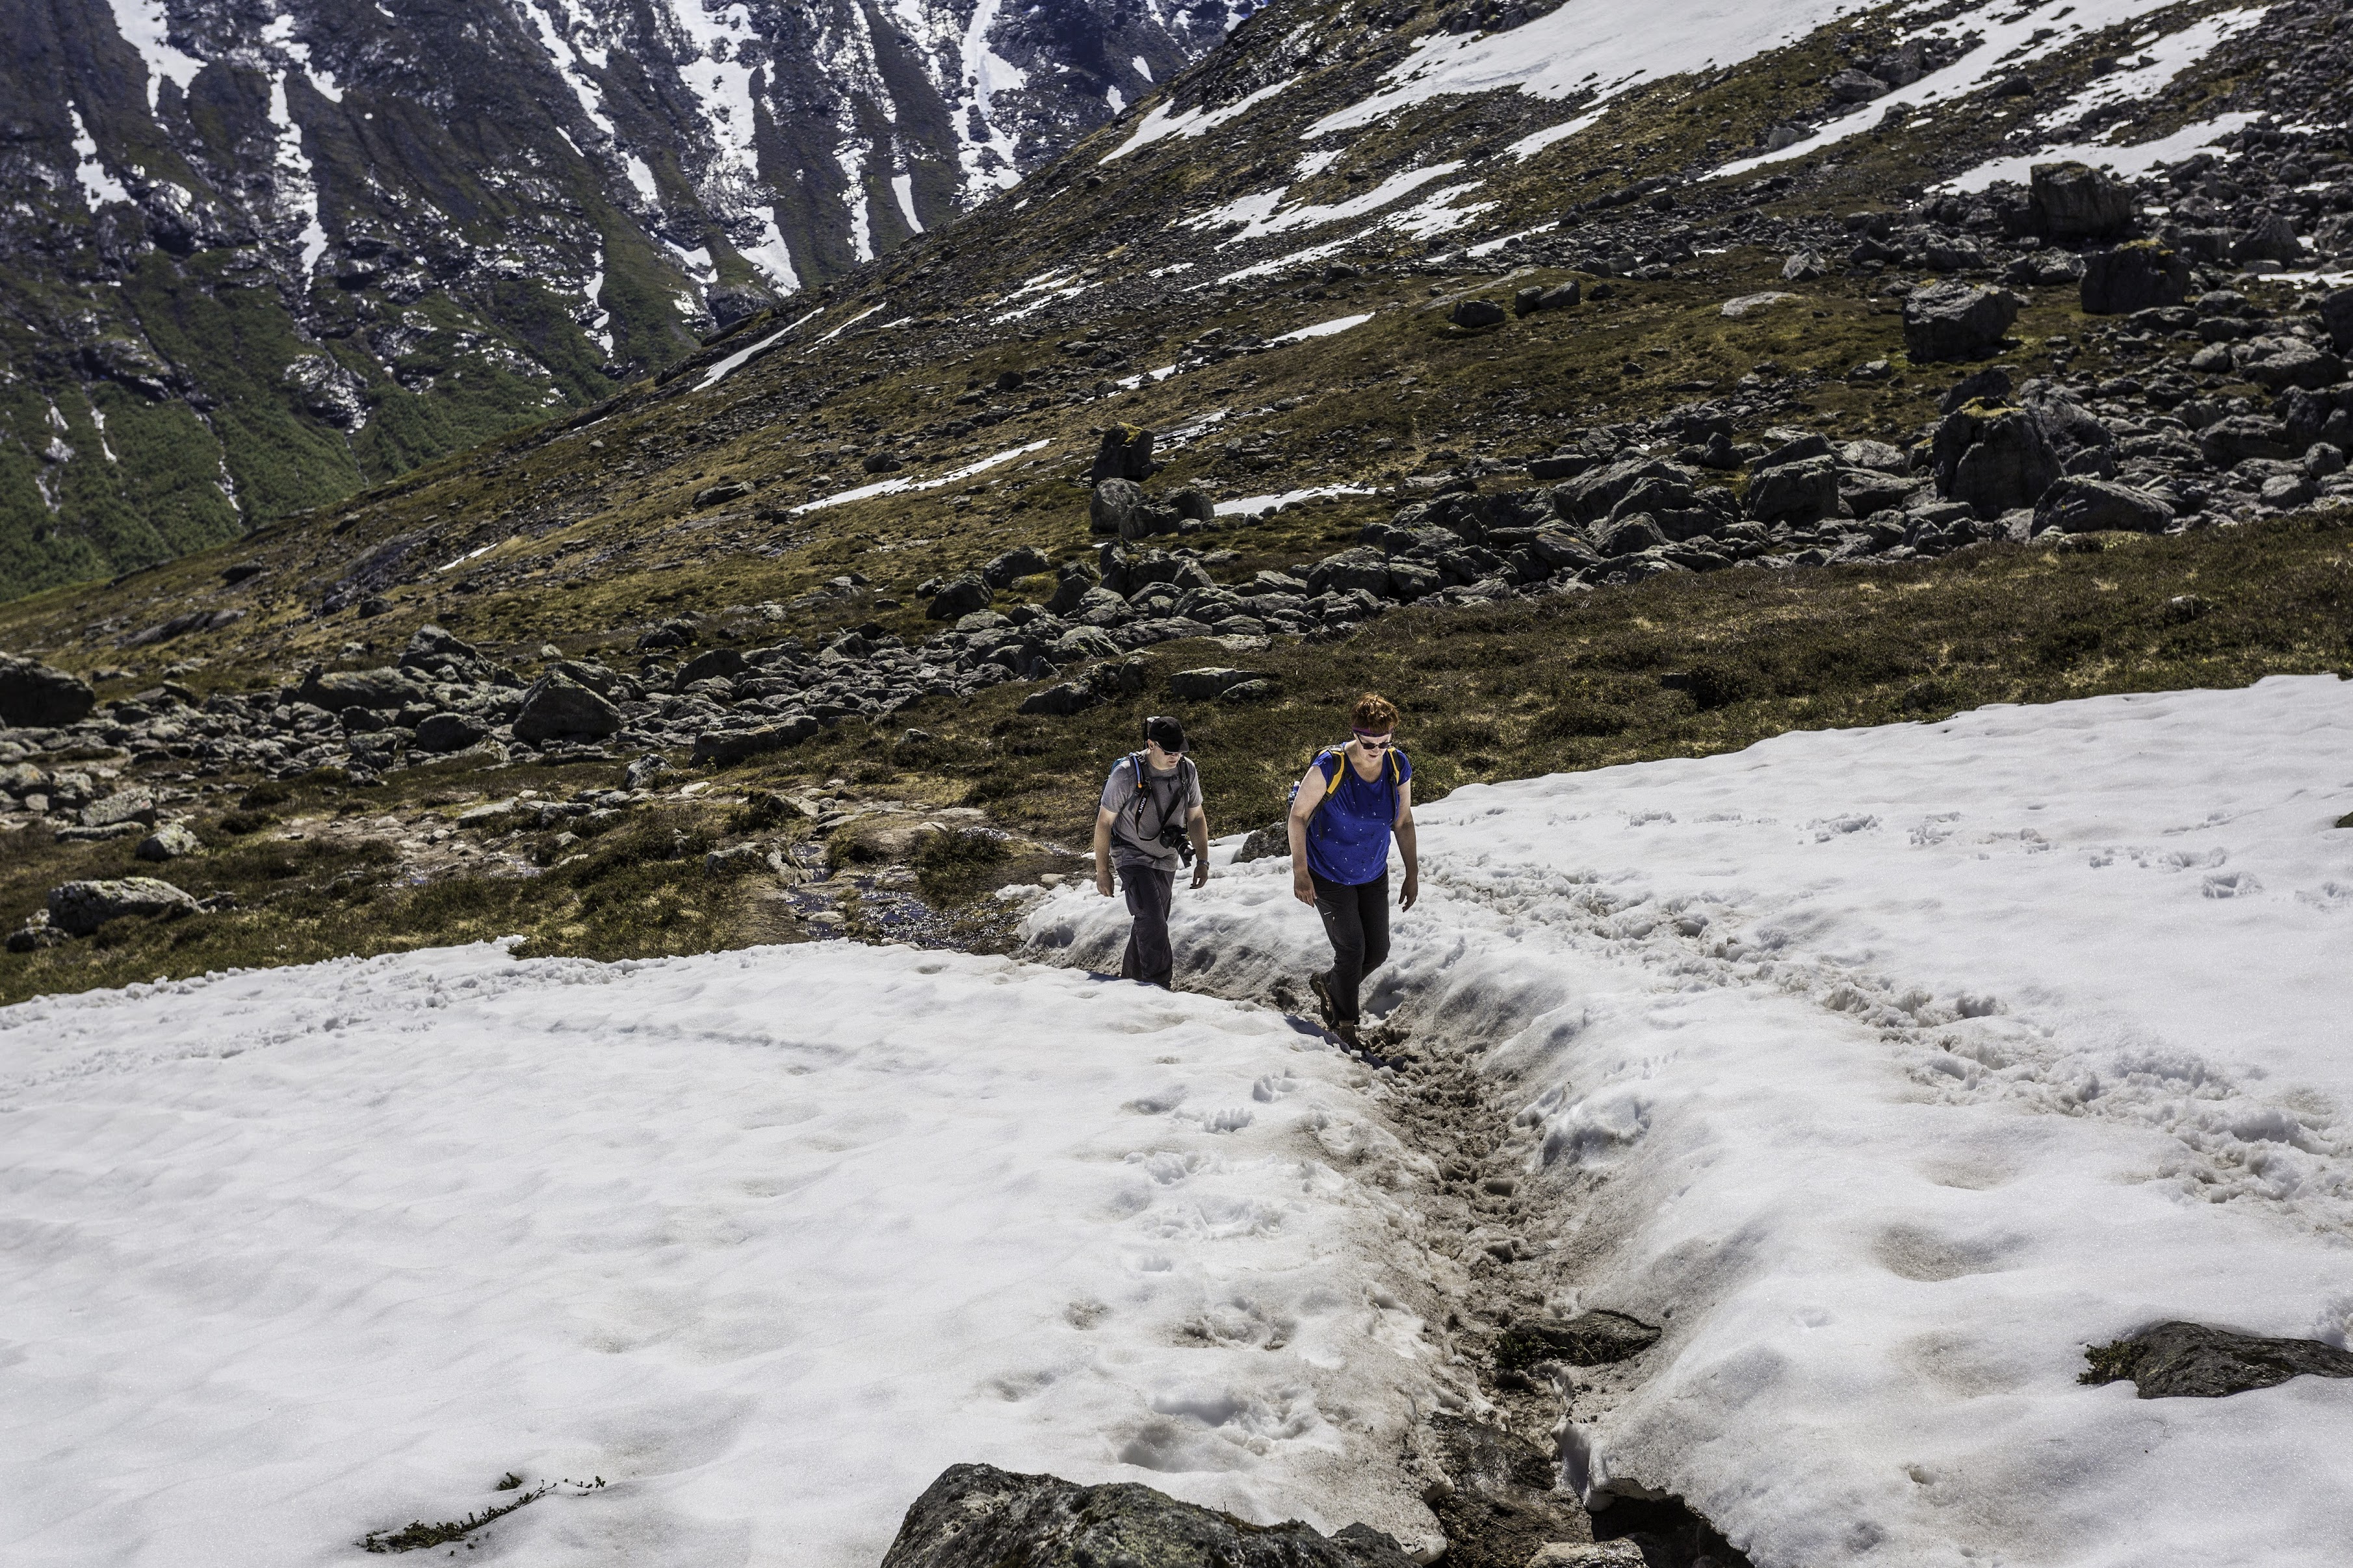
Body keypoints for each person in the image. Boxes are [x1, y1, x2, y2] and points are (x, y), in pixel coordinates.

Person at [1288, 693, 1418, 1046]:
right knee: (1352, 950)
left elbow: (1403, 821)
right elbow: (1298, 817)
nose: (1377, 749)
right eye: (1369, 742)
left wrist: (1412, 872)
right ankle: (1345, 1024)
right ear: (1355, 733)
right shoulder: (1331, 765)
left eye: (1385, 742)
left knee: (1378, 951)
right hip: (1327, 873)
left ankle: (1331, 985)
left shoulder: (1396, 764)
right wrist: (1301, 872)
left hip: (1373, 871)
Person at [1094, 714, 1209, 988]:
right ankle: (1160, 988)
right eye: (1169, 751)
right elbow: (1104, 822)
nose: (1176, 757)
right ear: (1151, 744)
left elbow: (1196, 817)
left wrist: (1203, 861)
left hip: (1166, 857)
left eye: (1181, 751)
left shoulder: (1186, 770)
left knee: (1148, 924)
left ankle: (1129, 985)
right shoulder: (1126, 774)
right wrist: (1103, 871)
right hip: (1130, 854)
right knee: (1153, 921)